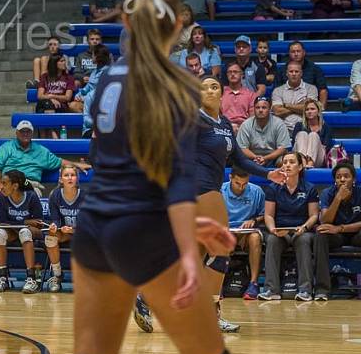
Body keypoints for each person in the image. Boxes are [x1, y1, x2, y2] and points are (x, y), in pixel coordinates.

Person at [70, 0, 235, 354]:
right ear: (179, 24)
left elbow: (123, 168)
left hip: (94, 228)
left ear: (126, 23)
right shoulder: (176, 86)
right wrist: (190, 257)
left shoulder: (107, 76)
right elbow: (177, 182)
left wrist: (191, 224)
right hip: (142, 231)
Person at [133, 76, 283, 334]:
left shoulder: (224, 124)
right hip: (197, 188)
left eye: (215, 86)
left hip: (205, 190)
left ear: (222, 92)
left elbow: (238, 158)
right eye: (204, 87)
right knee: (222, 247)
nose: (211, 90)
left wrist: (266, 173)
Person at [313, 162, 361, 301]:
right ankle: (322, 290)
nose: (342, 179)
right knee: (321, 235)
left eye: (346, 176)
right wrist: (338, 198)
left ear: (354, 179)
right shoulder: (327, 193)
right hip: (337, 236)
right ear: (335, 180)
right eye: (338, 177)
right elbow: (325, 220)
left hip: (357, 234)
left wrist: (340, 228)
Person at [259, 152, 318, 301]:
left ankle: (305, 290)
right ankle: (272, 290)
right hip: (281, 230)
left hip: (302, 230)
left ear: (300, 167)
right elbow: (269, 215)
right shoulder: (273, 188)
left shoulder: (309, 188)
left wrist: (304, 227)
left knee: (303, 240)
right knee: (272, 240)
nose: (287, 165)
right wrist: (272, 229)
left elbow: (314, 215)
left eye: (291, 162)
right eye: (285, 162)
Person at [0, 170, 50, 294]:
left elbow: (39, 222)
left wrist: (25, 225)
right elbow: (3, 222)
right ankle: (3, 277)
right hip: (13, 230)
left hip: (33, 232)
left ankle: (31, 278)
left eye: (4, 183)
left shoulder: (31, 196)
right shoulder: (1, 197)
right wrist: (26, 222)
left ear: (15, 186)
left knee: (24, 232)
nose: (1, 187)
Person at [221, 169, 266, 300]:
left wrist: (254, 220)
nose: (241, 187)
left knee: (255, 237)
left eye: (245, 184)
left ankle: (253, 284)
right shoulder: (219, 191)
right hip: (226, 230)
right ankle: (219, 284)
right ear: (230, 177)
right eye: (237, 183)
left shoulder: (257, 191)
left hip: (245, 233)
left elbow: (264, 215)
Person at [46, 164, 84, 293]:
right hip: (65, 232)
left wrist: (74, 229)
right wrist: (54, 226)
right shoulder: (55, 195)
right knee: (50, 238)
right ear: (61, 179)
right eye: (66, 175)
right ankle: (57, 275)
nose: (69, 178)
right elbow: (55, 218)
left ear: (77, 178)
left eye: (72, 175)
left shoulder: (85, 195)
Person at [236, 98, 290, 166]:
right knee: (238, 159)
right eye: (257, 107)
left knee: (283, 161)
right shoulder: (246, 124)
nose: (260, 110)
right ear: (254, 109)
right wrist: (256, 157)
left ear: (270, 109)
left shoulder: (279, 124)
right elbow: (242, 148)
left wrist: (265, 158)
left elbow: (282, 148)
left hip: (274, 158)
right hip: (252, 157)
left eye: (264, 108)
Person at [275, 41, 329, 106]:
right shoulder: (281, 70)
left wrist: (320, 110)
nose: (296, 54)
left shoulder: (315, 69)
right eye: (293, 52)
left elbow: (323, 90)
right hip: (286, 106)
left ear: (304, 52)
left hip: (308, 108)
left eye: (298, 51)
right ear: (289, 53)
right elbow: (276, 92)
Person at [271, 61, 318, 132]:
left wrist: (286, 105)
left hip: (304, 128)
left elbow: (310, 110)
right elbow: (277, 111)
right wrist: (300, 106)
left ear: (301, 73)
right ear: (286, 73)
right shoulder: (277, 90)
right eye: (291, 71)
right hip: (283, 129)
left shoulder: (311, 89)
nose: (293, 74)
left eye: (296, 71)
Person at [290, 98, 333, 167]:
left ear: (318, 111)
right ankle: (303, 163)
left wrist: (312, 147)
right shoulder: (299, 125)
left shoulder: (326, 127)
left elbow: (326, 147)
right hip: (298, 158)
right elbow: (294, 144)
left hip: (318, 158)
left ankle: (310, 164)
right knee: (302, 134)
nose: (309, 111)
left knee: (313, 135)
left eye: (312, 109)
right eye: (307, 110)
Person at [36, 54, 76, 122]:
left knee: (45, 108)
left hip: (60, 106)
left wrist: (52, 96)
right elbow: (39, 96)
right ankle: (52, 131)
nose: (64, 63)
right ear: (54, 64)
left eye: (64, 61)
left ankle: (50, 132)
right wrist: (51, 99)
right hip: (46, 103)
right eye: (61, 61)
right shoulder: (44, 77)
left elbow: (67, 97)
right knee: (45, 105)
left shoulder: (69, 78)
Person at [220, 63, 256, 133]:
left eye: (235, 72)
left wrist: (242, 128)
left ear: (242, 75)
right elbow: (217, 116)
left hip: (245, 129)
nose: (232, 74)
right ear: (227, 75)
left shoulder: (251, 95)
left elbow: (253, 118)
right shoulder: (220, 93)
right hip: (223, 129)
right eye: (230, 72)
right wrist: (229, 126)